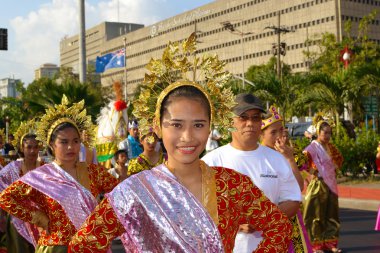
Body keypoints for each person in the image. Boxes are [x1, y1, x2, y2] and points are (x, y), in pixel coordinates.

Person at [0, 96, 119, 253]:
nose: (71, 147)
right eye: (64, 142)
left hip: (90, 246)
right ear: (51, 144)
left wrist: (103, 221)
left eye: (76, 141)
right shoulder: (41, 176)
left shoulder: (93, 172)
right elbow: (6, 198)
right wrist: (37, 216)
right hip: (56, 247)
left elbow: (120, 195)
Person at [202, 93, 301, 253]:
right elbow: (197, 209)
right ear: (229, 122)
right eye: (243, 117)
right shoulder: (211, 162)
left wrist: (263, 217)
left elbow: (292, 201)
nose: (250, 123)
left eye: (255, 118)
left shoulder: (277, 159)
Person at [260, 106, 313, 253]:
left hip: (290, 218)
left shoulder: (286, 153)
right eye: (273, 132)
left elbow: (298, 187)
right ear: (261, 134)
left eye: (281, 130)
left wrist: (289, 159)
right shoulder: (257, 156)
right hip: (265, 222)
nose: (279, 135)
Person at [0, 119, 43, 253]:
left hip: (41, 216)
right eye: (28, 147)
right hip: (17, 215)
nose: (32, 151)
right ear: (22, 149)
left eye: (35, 147)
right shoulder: (12, 169)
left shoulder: (44, 169)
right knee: (15, 221)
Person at [303, 116, 344, 253]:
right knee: (316, 216)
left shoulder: (331, 147)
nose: (327, 135)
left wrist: (334, 169)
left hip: (331, 184)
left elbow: (340, 160)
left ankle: (331, 243)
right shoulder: (312, 147)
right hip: (318, 184)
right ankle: (316, 245)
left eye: (329, 133)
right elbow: (301, 164)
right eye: (324, 132)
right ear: (318, 132)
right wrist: (311, 172)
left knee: (332, 215)